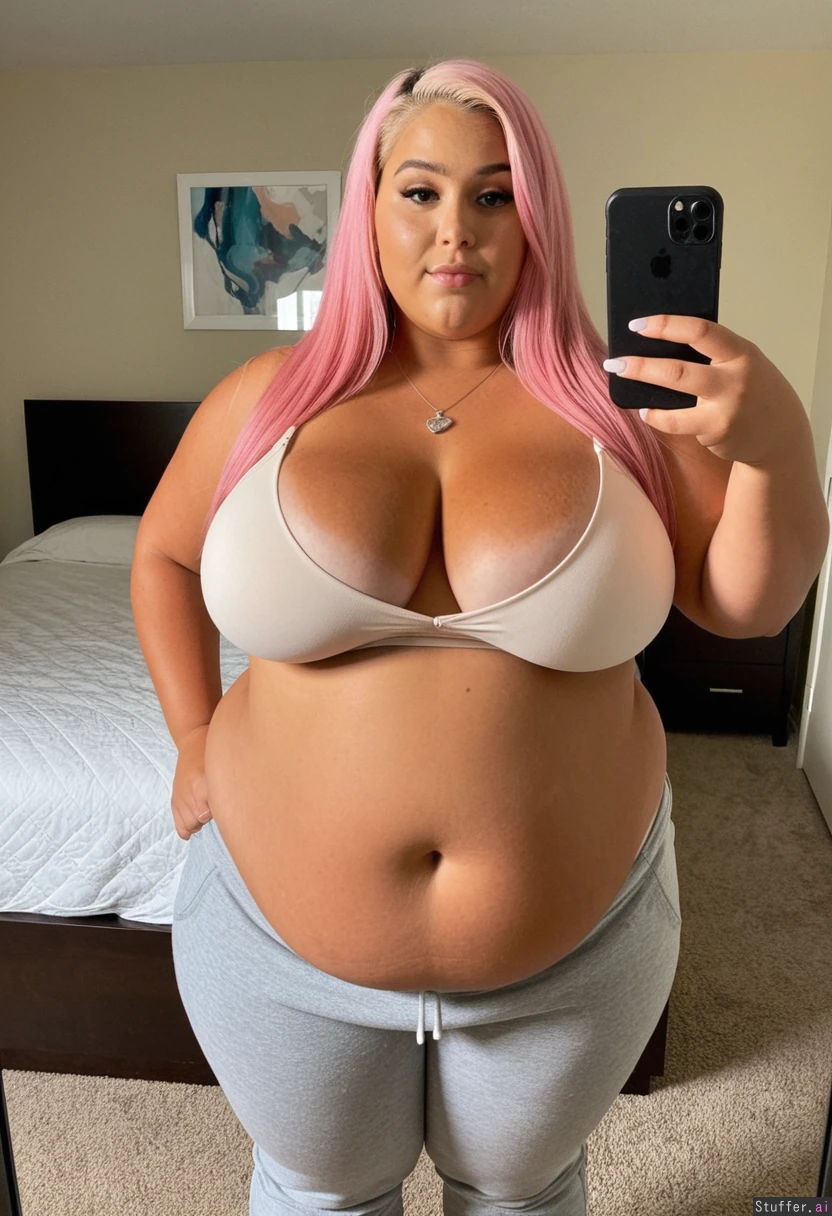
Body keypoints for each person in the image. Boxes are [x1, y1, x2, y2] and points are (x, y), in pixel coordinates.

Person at [130, 57, 827, 1216]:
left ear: (538, 215)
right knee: (316, 1196)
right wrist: (193, 731)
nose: (455, 228)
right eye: (420, 191)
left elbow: (746, 604)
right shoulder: (266, 398)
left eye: (495, 194)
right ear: (368, 208)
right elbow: (161, 556)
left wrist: (774, 440)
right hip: (274, 943)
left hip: (573, 954)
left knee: (522, 1195)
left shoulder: (624, 408)